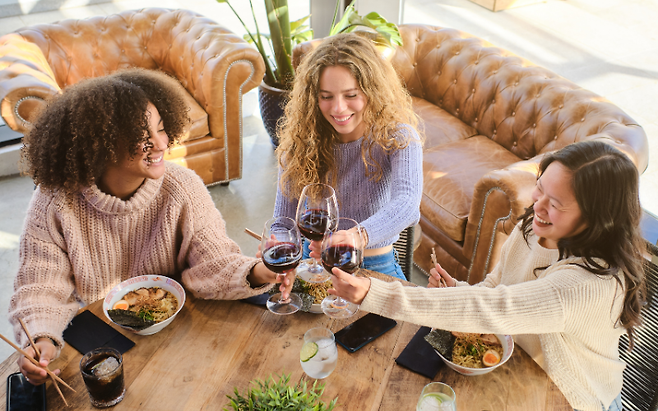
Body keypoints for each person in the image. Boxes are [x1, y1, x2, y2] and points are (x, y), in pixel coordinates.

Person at [9, 68, 294, 385]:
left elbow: (214, 260)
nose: (161, 144)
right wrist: (41, 340)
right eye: (143, 137)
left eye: (161, 129)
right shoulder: (54, 201)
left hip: (179, 328)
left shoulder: (182, 186)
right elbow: (40, 287)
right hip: (102, 336)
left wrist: (259, 271)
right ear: (101, 144)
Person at [328, 140, 646, 411]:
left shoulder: (590, 284)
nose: (538, 206)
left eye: (556, 204)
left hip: (571, 397)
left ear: (597, 219)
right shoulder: (533, 229)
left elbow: (493, 308)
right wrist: (457, 289)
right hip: (515, 371)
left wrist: (373, 294)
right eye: (539, 189)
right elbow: (495, 288)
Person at [272, 33, 423, 280]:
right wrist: (278, 244)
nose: (338, 108)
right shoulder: (300, 141)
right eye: (326, 96)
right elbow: (282, 222)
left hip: (375, 266)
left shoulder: (399, 137)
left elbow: (407, 204)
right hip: (313, 265)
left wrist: (357, 236)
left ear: (373, 91)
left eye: (351, 95)